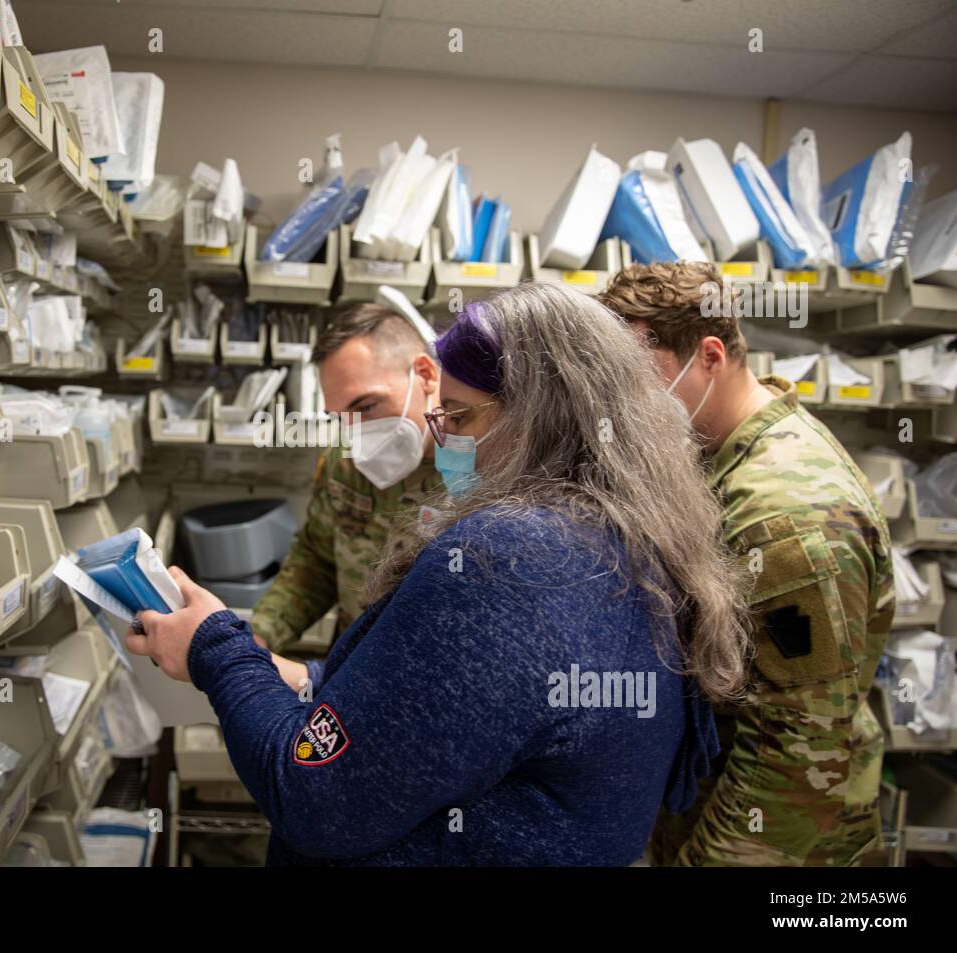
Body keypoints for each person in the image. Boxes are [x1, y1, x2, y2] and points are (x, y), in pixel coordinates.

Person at [130, 283, 748, 866]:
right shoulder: (630, 531)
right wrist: (291, 669)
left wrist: (218, 648)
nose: (445, 436)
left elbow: (315, 799)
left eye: (459, 416)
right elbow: (451, 694)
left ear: (540, 414)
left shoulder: (506, 555)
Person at [598, 261, 895, 866]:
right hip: (709, 812)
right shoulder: (713, 456)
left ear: (710, 354)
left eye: (640, 378)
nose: (627, 402)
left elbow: (798, 755)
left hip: (787, 850)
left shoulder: (787, 519)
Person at [250, 303, 443, 656]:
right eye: (340, 417)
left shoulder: (488, 473)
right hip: (350, 660)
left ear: (426, 374)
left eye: (367, 406)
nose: (356, 433)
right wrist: (259, 638)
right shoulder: (347, 458)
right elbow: (318, 558)